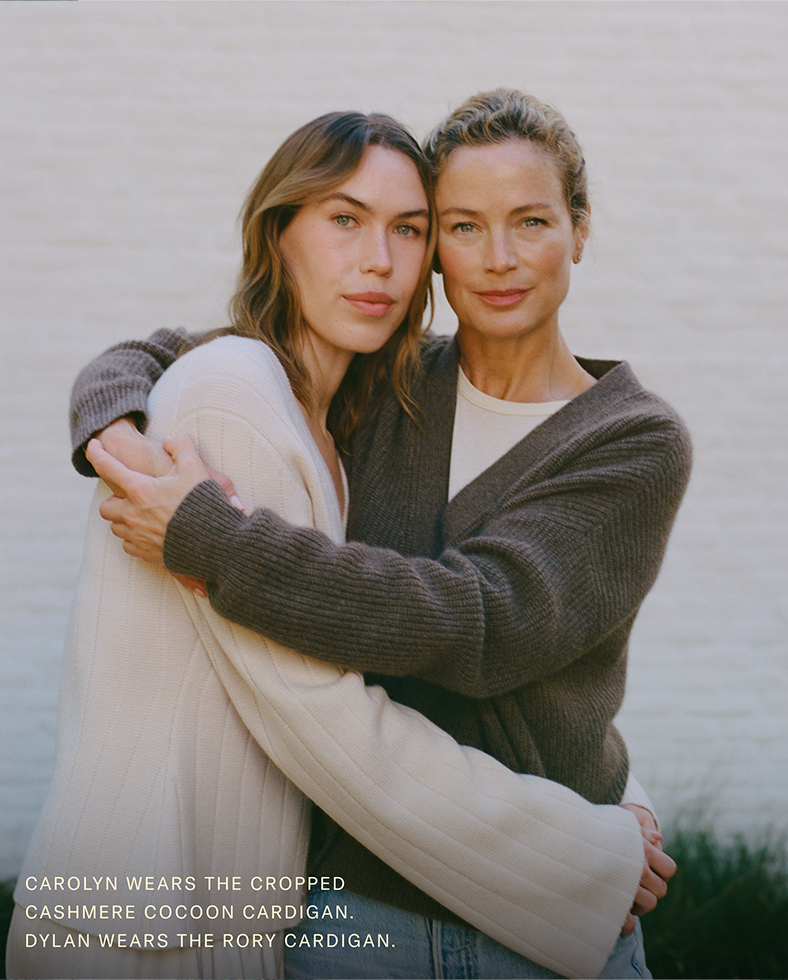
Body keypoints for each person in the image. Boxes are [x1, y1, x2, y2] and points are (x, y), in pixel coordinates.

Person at [8, 107, 670, 980]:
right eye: (463, 226)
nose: (497, 258)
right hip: (241, 913)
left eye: (409, 228)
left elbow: (484, 623)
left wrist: (618, 806)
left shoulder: (611, 439)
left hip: (496, 927)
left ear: (579, 230)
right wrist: (114, 425)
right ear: (279, 232)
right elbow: (174, 358)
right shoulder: (352, 390)